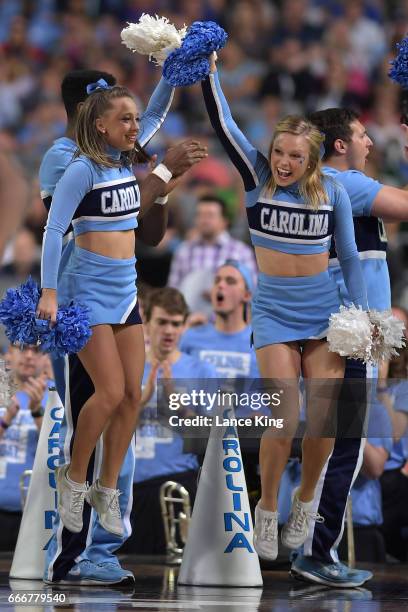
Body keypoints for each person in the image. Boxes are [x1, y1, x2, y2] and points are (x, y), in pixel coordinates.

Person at [40, 69, 206, 586]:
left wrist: (174, 71)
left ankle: (106, 489)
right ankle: (74, 480)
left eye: (136, 119)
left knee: (133, 394)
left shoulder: (126, 159)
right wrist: (48, 292)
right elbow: (52, 229)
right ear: (99, 124)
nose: (137, 127)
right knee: (108, 393)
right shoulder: (77, 168)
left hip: (126, 292)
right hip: (83, 294)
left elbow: (155, 112)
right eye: (124, 120)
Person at [200, 53, 368, 561]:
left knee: (322, 420)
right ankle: (267, 508)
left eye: (295, 156)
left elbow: (350, 257)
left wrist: (359, 316)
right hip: (273, 313)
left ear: (312, 159)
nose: (284, 163)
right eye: (279, 152)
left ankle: (305, 500)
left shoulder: (332, 191)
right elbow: (224, 123)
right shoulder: (257, 180)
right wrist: (209, 73)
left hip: (323, 316)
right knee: (283, 416)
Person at [288, 107, 408, 587]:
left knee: (336, 445)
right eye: (362, 135)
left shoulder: (331, 186)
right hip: (347, 331)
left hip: (344, 329)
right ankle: (315, 553)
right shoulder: (346, 183)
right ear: (340, 144)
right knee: (344, 448)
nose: (370, 142)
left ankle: (311, 547)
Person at [121, 287, 217, 554]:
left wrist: (176, 403)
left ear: (185, 326)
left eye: (176, 324)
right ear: (146, 322)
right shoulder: (126, 366)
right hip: (128, 487)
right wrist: (140, 401)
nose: (169, 331)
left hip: (177, 485)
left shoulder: (202, 370)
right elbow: (108, 428)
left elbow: (211, 437)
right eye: (162, 322)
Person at [168, 194, 257, 315]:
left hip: (229, 324)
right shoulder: (184, 250)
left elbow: (252, 291)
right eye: (200, 215)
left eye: (210, 215)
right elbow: (173, 291)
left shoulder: (241, 252)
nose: (204, 220)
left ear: (224, 221)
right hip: (190, 324)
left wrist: (219, 294)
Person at [0, 345, 48, 550]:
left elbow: (59, 453)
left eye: (36, 350)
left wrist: (37, 413)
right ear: (8, 354)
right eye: (22, 348)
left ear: (46, 358)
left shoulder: (56, 394)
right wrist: (7, 418)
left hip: (34, 512)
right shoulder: (2, 389)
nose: (29, 355)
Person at [180, 259, 258, 379]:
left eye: (230, 281)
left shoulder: (260, 343)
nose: (221, 285)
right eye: (217, 280)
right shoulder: (190, 337)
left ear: (247, 295)